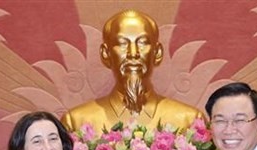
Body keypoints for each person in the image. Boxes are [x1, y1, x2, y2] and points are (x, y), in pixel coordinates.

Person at [61, 10, 204, 132]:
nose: (133, 53)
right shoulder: (76, 123)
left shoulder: (189, 121)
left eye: (142, 42)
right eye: (122, 43)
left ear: (157, 52)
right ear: (106, 53)